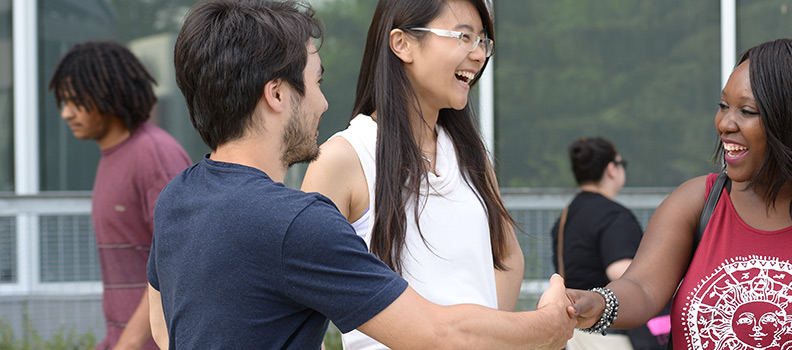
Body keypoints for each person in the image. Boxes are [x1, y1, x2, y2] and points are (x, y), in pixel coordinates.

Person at [145, 1, 574, 348]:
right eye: (316, 82)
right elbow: (439, 333)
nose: (324, 103)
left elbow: (164, 331)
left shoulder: (177, 198)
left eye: (483, 40)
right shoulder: (298, 221)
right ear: (276, 94)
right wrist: (550, 325)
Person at [568, 39, 792, 349]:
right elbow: (642, 288)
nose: (724, 124)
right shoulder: (697, 201)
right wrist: (596, 303)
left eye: (746, 111)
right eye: (723, 106)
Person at [299, 0, 521, 347]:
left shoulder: (470, 156)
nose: (478, 55)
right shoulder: (343, 158)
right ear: (402, 43)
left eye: (482, 41)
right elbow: (304, 293)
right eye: (463, 37)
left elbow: (507, 257)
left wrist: (484, 339)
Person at [47, 41, 192, 350]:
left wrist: (127, 343)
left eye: (76, 101)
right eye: (63, 101)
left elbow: (180, 258)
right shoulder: (114, 156)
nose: (66, 113)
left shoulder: (153, 154)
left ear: (107, 93)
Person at [549, 137, 666, 350]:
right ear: (612, 169)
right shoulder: (615, 216)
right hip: (611, 334)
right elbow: (621, 272)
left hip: (574, 333)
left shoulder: (566, 217)